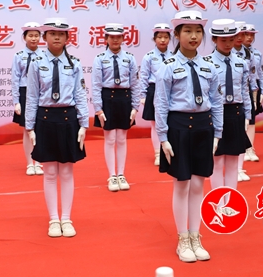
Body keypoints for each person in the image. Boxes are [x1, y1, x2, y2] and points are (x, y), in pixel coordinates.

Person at [154, 10, 223, 263]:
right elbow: (161, 103)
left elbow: (216, 101)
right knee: (182, 183)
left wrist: (218, 133)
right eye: (187, 31)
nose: (193, 36)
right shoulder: (167, 67)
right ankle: (182, 238)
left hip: (204, 127)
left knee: (198, 184)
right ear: (177, 34)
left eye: (198, 32)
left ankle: (196, 235)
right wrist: (163, 137)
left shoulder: (209, 67)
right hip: (179, 127)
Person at [25, 17, 88, 238]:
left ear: (67, 38)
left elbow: (80, 94)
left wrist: (84, 123)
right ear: (45, 37)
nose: (57, 37)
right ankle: (54, 219)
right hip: (45, 118)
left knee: (67, 171)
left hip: (68, 118)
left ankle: (66, 218)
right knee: (50, 172)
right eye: (52, 34)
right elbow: (32, 96)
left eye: (61, 34)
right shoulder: (36, 63)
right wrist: (30, 127)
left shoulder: (75, 63)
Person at [92, 23, 141, 192]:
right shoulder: (99, 59)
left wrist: (135, 106)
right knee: (110, 138)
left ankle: (121, 174)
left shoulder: (130, 58)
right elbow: (96, 85)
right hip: (107, 99)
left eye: (118, 37)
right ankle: (112, 175)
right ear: (106, 38)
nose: (115, 40)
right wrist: (98, 109)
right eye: (111, 37)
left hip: (124, 99)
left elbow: (135, 84)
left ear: (123, 38)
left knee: (121, 139)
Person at [208, 19, 252, 189]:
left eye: (231, 39)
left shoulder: (241, 62)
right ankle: (219, 201)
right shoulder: (206, 63)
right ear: (214, 39)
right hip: (215, 113)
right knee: (217, 162)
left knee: (233, 162)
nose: (228, 44)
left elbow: (245, 90)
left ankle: (231, 200)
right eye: (223, 40)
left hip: (236, 113)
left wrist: (247, 115)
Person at [12, 22, 45, 176]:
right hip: (25, 92)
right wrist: (16, 101)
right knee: (27, 129)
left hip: (41, 93)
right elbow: (15, 79)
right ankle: (29, 163)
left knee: (40, 128)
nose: (33, 38)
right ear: (24, 37)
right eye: (30, 35)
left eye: (36, 36)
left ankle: (38, 162)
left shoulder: (44, 55)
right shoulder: (18, 56)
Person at [139, 22, 172, 166]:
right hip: (154, 90)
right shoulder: (149, 57)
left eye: (166, 37)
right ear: (154, 39)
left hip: (171, 91)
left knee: (170, 122)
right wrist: (143, 96)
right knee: (155, 124)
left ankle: (169, 151)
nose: (163, 40)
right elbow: (143, 76)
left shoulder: (174, 56)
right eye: (159, 37)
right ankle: (158, 154)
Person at [232, 21, 258, 181]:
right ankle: (230, 169)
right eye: (238, 34)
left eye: (243, 34)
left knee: (243, 129)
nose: (241, 37)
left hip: (244, 94)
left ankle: (239, 168)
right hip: (226, 99)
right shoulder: (219, 54)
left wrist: (254, 96)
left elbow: (252, 76)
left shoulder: (249, 55)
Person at [241, 24, 263, 163]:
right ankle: (242, 149)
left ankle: (250, 148)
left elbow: (260, 73)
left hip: (252, 87)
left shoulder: (256, 53)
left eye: (252, 35)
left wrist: (262, 91)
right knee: (240, 120)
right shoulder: (233, 52)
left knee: (251, 119)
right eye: (246, 34)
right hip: (237, 89)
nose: (249, 37)